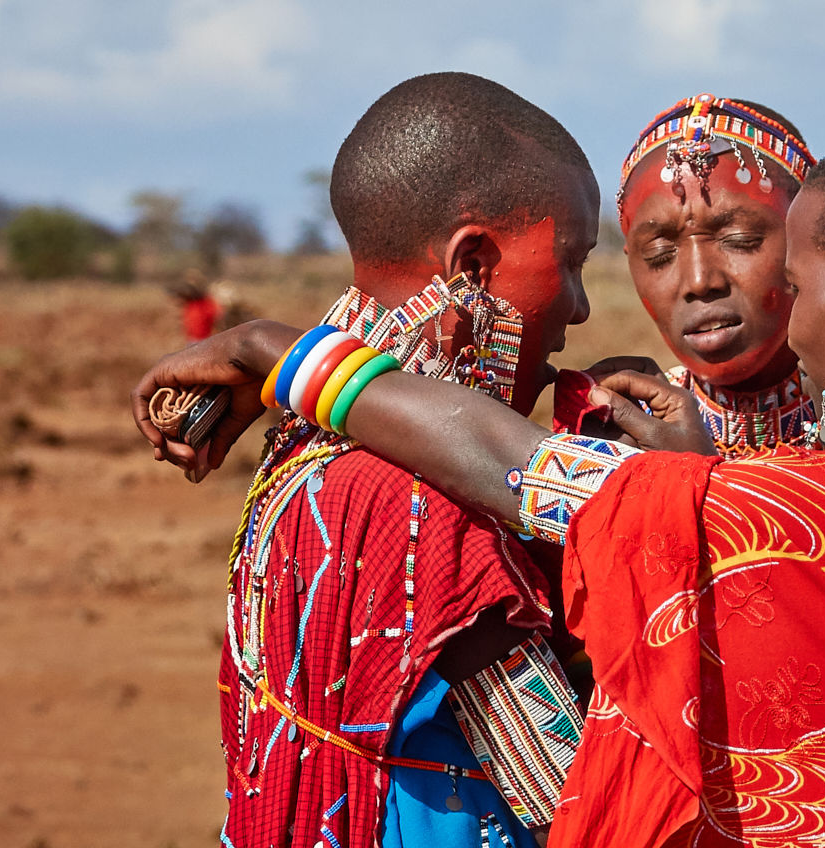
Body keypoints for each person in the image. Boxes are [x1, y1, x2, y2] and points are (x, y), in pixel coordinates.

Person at [140, 121, 825, 847]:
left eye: (790, 278)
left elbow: (503, 465)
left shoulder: (785, 517)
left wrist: (275, 350)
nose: (755, 302)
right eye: (648, 250)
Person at [200, 71, 608, 848]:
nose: (581, 307)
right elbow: (576, 794)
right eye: (574, 261)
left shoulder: (302, 447)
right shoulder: (424, 504)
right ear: (472, 266)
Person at [608, 95, 817, 455]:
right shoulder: (618, 439)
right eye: (659, 254)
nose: (700, 281)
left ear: (812, 237)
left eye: (740, 240)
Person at [174, 272, 222, 343]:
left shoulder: (207, 303)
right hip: (192, 339)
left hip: (205, 339)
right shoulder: (190, 303)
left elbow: (216, 320)